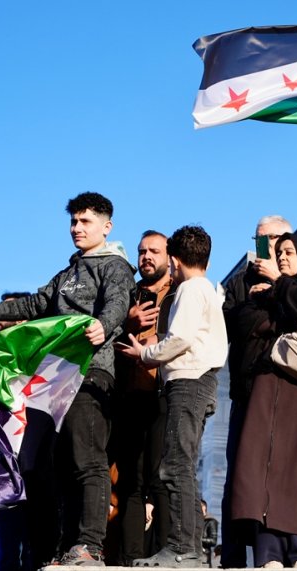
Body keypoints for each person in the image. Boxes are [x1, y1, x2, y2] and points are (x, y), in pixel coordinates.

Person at [0, 191, 136, 566]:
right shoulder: (68, 273)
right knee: (61, 466)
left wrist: (104, 325)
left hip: (91, 373)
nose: (77, 228)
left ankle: (91, 545)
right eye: (73, 221)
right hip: (55, 383)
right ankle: (68, 547)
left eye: (85, 222)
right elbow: (33, 305)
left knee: (88, 461)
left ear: (106, 226)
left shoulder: (114, 267)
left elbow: (119, 301)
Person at [117, 225, 228, 568]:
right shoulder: (206, 288)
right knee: (183, 467)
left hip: (188, 383)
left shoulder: (191, 290)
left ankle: (181, 548)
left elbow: (179, 339)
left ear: (175, 262)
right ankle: (190, 549)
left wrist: (145, 355)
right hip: (200, 383)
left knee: (175, 466)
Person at [230, 233, 297, 568]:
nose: (281, 258)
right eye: (278, 253)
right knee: (264, 468)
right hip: (269, 386)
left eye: (289, 252)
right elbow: (247, 323)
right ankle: (269, 553)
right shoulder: (265, 291)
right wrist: (270, 298)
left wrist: (280, 288)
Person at [221, 214, 293, 569]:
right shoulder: (239, 283)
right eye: (260, 238)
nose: (267, 245)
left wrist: (280, 283)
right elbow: (226, 329)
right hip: (246, 390)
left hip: (289, 392)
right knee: (240, 473)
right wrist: (250, 301)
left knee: (284, 471)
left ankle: (281, 553)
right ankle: (233, 558)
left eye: (275, 238)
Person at [112, 230, 175, 565]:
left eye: (154, 251)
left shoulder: (179, 292)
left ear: (168, 256)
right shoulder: (127, 293)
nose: (147, 257)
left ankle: (165, 554)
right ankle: (130, 559)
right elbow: (106, 335)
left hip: (164, 394)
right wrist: (128, 322)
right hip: (128, 396)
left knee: (161, 477)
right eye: (142, 251)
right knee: (130, 483)